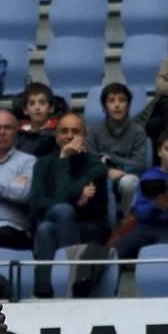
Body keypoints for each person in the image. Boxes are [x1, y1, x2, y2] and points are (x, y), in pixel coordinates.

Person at [30, 114, 110, 298]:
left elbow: (87, 206)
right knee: (61, 212)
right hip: (62, 219)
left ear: (84, 136)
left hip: (89, 225)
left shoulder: (94, 165)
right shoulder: (43, 163)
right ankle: (64, 283)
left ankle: (48, 289)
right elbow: (36, 202)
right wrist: (76, 197)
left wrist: (65, 159)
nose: (69, 136)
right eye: (64, 131)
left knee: (46, 228)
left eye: (75, 131)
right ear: (57, 136)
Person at [113, 128, 168, 259]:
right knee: (117, 249)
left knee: (162, 248)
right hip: (147, 229)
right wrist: (154, 206)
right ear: (159, 151)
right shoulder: (148, 177)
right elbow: (139, 212)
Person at [86, 82, 147, 217]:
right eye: (111, 101)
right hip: (102, 176)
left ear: (128, 105)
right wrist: (108, 170)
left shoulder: (138, 131)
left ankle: (127, 224)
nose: (117, 105)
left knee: (128, 183)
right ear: (104, 107)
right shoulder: (94, 131)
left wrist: (111, 159)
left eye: (122, 100)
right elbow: (90, 161)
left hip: (127, 176)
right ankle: (106, 227)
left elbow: (139, 164)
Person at [0, 109, 36, 250]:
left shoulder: (28, 161)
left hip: (13, 228)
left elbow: (23, 194)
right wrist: (10, 185)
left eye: (7, 128)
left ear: (16, 132)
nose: (2, 132)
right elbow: (15, 191)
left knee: (2, 233)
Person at [16, 83, 59, 159]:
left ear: (51, 108)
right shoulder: (17, 133)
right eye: (32, 103)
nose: (37, 107)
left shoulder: (58, 132)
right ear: (25, 110)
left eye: (42, 103)